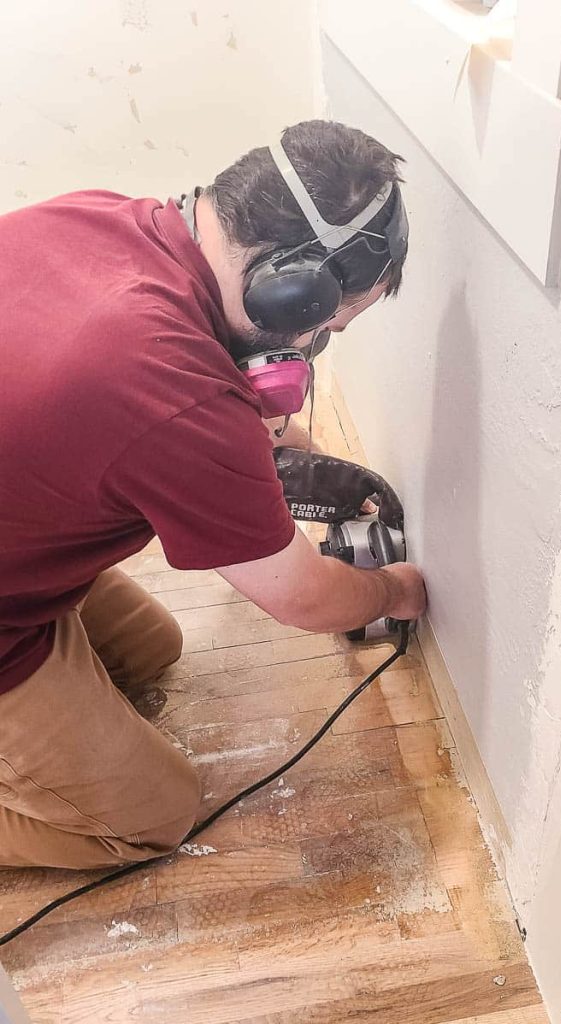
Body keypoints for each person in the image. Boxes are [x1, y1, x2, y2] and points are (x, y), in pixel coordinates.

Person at [0, 119, 427, 870]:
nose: (313, 345)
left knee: (150, 652)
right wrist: (392, 589)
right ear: (289, 291)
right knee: (151, 817)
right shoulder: (172, 386)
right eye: (328, 323)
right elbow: (300, 597)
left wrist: (255, 451)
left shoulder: (103, 216)